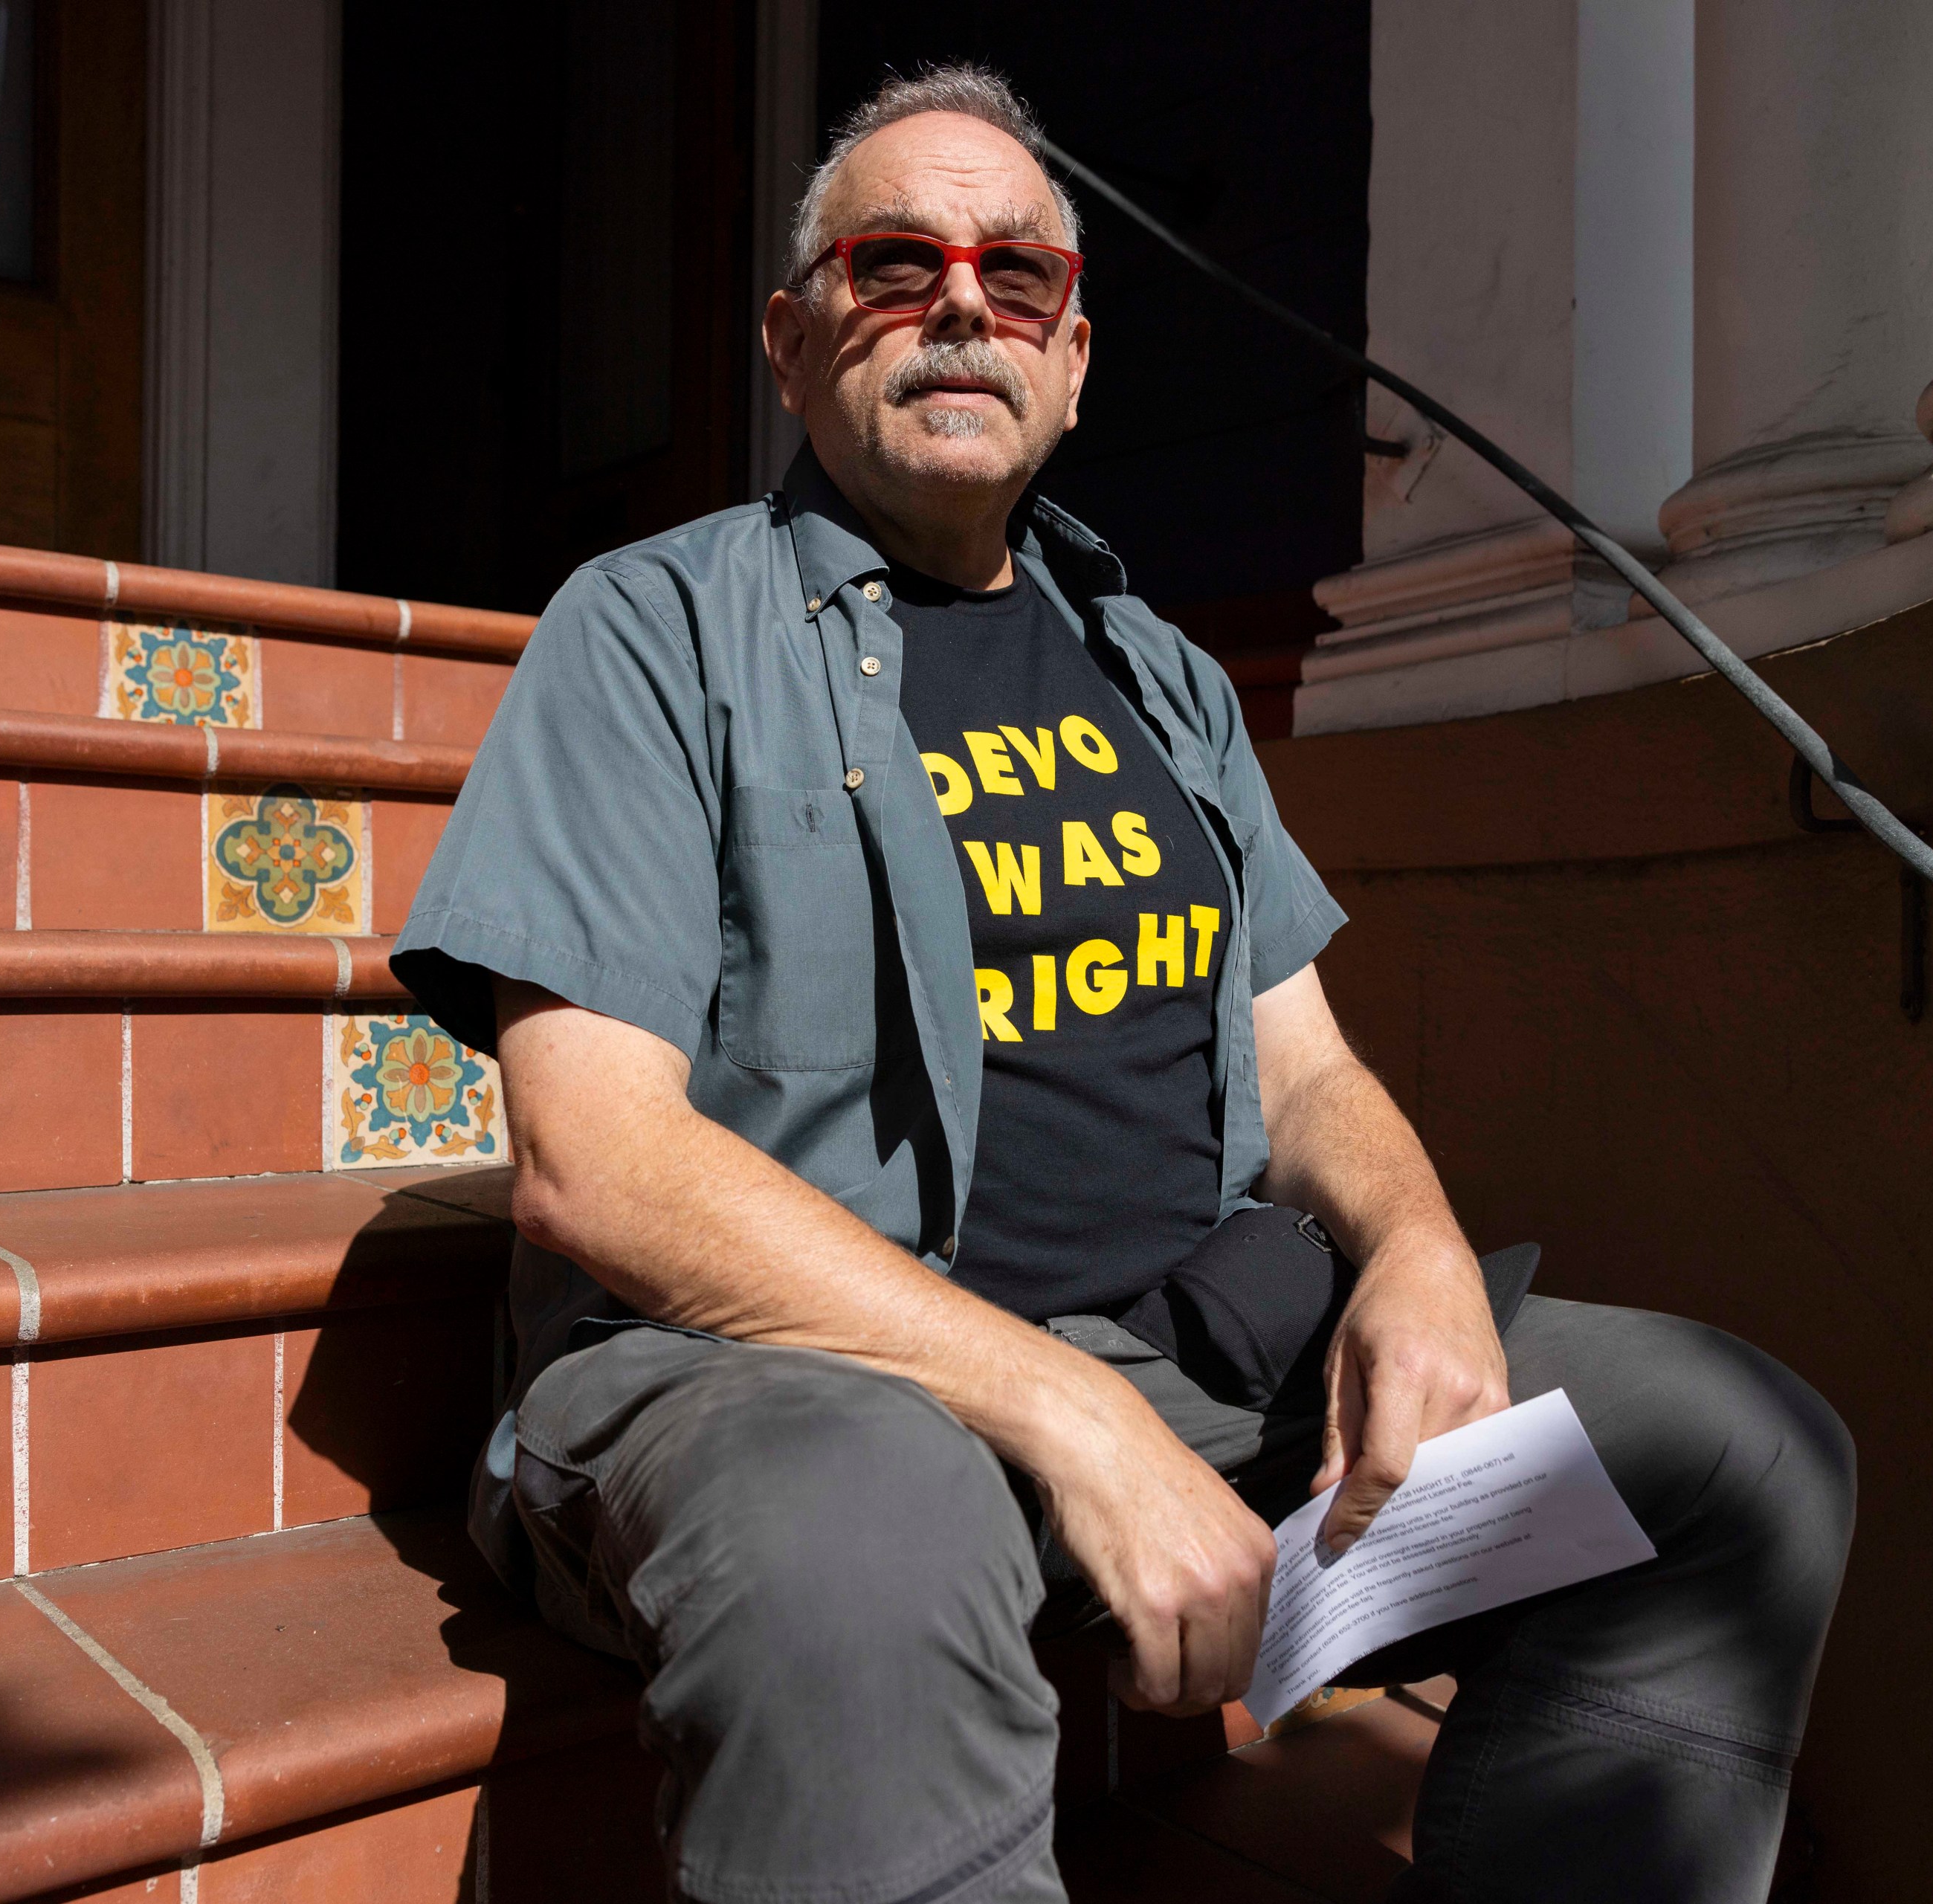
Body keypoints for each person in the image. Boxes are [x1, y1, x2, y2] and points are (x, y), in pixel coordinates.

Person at [391, 63, 1855, 1904]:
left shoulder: (1155, 673)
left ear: (1073, 358)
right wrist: (1068, 1417)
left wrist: (1414, 1260)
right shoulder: (656, 628)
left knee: (1730, 1462)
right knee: (867, 1559)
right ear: (792, 340)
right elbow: (595, 1161)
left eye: (1017, 279)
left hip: (1214, 1372)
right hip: (813, 1386)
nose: (957, 306)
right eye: (894, 262)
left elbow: (1306, 1074)